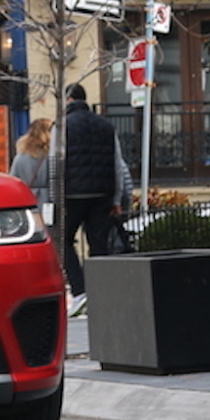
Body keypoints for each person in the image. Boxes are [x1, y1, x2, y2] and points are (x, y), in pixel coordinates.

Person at [54, 83, 118, 314]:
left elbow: (56, 165)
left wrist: (56, 198)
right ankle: (102, 292)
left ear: (68, 100)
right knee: (98, 243)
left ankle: (80, 292)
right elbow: (116, 163)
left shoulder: (62, 127)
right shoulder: (105, 125)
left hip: (73, 194)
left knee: (64, 241)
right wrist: (116, 197)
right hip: (103, 193)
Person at [9, 118, 52, 193]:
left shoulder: (20, 157)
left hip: (27, 197)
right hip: (47, 198)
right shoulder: (51, 155)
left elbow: (13, 180)